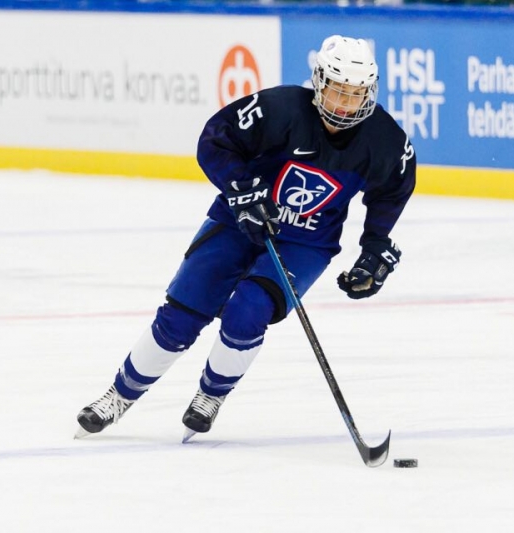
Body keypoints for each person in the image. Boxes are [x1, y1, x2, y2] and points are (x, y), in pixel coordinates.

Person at [75, 35, 416, 440]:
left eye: (356, 95)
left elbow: (393, 190)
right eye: (338, 91)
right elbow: (215, 139)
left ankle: (211, 395)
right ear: (319, 82)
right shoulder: (281, 109)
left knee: (249, 309)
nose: (345, 105)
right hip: (240, 219)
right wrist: (242, 190)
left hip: (306, 241)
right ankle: (119, 396)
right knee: (183, 313)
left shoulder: (386, 141)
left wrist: (375, 246)